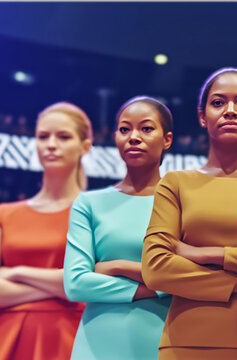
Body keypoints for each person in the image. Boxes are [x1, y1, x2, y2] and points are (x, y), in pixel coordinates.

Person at [141, 68, 237, 359]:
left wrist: (207, 254)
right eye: (218, 102)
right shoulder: (175, 183)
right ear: (202, 116)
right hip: (184, 343)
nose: (230, 110)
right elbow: (157, 268)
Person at [0, 102, 91, 360]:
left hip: (69, 339)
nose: (51, 144)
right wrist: (59, 287)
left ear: (85, 146)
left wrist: (17, 272)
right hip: (5, 340)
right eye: (43, 136)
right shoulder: (4, 214)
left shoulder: (96, 212)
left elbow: (86, 284)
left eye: (63, 137)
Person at [63, 96, 174, 359]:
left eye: (146, 129)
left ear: (167, 139)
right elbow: (76, 284)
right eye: (125, 129)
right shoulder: (88, 204)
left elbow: (187, 277)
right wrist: (153, 287)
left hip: (162, 340)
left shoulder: (181, 202)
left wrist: (116, 267)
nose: (134, 137)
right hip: (95, 344)